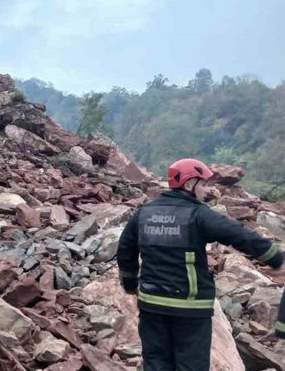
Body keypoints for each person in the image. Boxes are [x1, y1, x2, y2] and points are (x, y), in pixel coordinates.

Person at [117, 158, 283, 371]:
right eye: (203, 184)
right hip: (190, 307)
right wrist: (275, 258)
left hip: (152, 306)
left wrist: (130, 284)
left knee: (156, 363)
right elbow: (238, 234)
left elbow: (125, 249)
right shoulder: (198, 214)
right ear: (188, 185)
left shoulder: (144, 213)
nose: (207, 190)